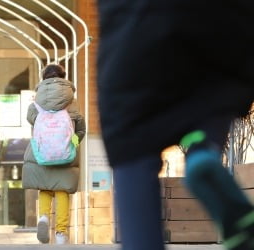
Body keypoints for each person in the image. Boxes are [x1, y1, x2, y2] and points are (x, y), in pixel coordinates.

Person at [96, 2, 254, 250]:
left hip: (131, 40)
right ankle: (202, 151)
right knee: (214, 95)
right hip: (211, 22)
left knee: (132, 150)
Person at [22, 64, 86, 244]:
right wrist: (73, 142)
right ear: (63, 77)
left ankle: (43, 217)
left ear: (44, 79)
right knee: (62, 190)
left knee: (45, 187)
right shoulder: (72, 101)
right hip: (66, 154)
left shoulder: (36, 102)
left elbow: (31, 119)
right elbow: (81, 127)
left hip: (42, 153)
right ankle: (61, 233)